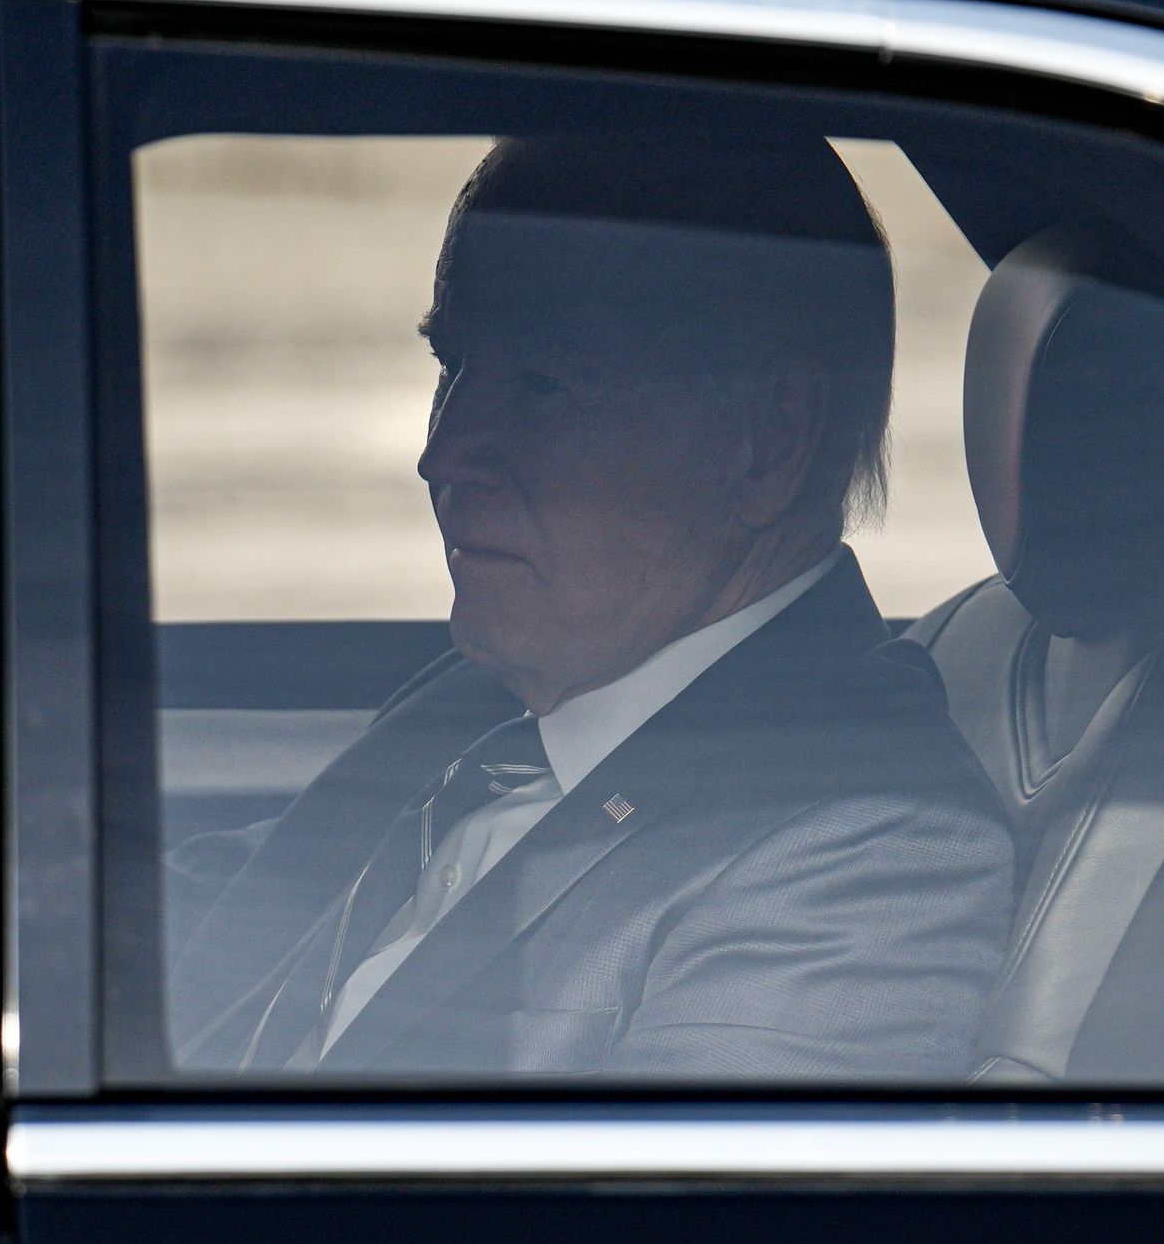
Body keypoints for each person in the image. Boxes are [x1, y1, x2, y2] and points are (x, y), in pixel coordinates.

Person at [168, 134, 1014, 1078]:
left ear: (768, 441)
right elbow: (239, 905)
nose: (444, 457)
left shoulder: (868, 860)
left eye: (543, 385)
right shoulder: (489, 705)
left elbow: (636, 1227)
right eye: (454, 371)